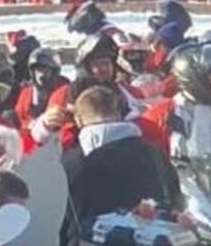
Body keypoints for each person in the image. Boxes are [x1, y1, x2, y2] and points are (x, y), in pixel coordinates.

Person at [62, 86, 178, 224]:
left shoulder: (73, 163)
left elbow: (66, 219)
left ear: (78, 120)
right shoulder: (154, 154)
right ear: (118, 114)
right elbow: (175, 201)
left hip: (94, 243)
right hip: (156, 238)